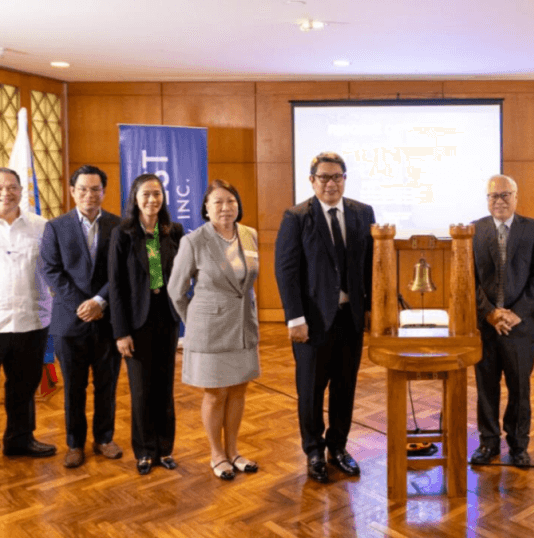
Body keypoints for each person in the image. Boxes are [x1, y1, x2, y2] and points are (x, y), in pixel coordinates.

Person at [274, 152, 375, 484]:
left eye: (337, 177)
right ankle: (314, 451)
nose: (331, 183)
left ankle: (339, 447)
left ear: (345, 178)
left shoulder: (363, 213)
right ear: (312, 180)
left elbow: (372, 266)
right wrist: (294, 318)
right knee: (311, 389)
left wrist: (373, 311)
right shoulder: (296, 216)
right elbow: (286, 272)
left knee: (345, 388)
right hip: (312, 322)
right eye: (324, 177)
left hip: (351, 319)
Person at [169, 180, 260, 481]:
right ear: (206, 208)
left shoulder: (249, 235)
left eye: (231, 201)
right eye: (217, 202)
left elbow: (248, 284)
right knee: (215, 393)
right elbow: (175, 289)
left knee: (238, 389)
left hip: (243, 325)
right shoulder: (193, 241)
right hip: (210, 328)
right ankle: (216, 454)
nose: (225, 207)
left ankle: (233, 451)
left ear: (238, 205)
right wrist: (194, 321)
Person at [40, 165, 123, 469]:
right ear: (72, 191)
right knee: (74, 387)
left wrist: (100, 301)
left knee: (106, 384)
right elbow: (51, 270)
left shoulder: (119, 226)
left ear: (104, 191)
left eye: (96, 189)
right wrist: (84, 304)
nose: (90, 194)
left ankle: (104, 438)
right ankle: (74, 443)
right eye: (83, 189)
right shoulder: (55, 227)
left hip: (108, 318)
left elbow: (123, 271)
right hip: (69, 323)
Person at [469, 174, 534, 467]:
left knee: (520, 389)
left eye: (505, 195)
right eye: (494, 196)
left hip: (521, 325)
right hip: (486, 326)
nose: (499, 201)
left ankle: (518, 444)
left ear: (516, 197)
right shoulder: (474, 230)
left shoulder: (533, 229)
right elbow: (469, 278)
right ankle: (488, 443)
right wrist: (490, 313)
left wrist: (516, 313)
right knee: (486, 388)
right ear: (487, 200)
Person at [0, 168, 56, 483]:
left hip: (32, 320)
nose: (6, 193)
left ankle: (20, 439)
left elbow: (55, 270)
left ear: (21, 190)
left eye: (12, 187)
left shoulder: (41, 227)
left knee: (23, 388)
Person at [108, 173, 183, 475]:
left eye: (157, 194)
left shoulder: (172, 230)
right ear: (135, 198)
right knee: (140, 390)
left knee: (164, 388)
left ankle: (164, 449)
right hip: (136, 322)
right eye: (146, 195)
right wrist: (121, 332)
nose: (152, 200)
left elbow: (181, 274)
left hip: (165, 318)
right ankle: (144, 449)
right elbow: (115, 286)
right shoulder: (123, 233)